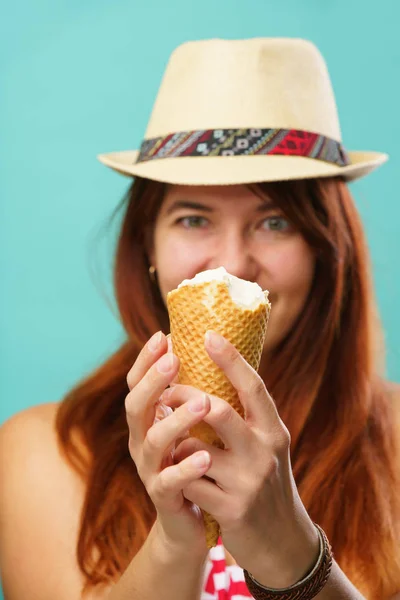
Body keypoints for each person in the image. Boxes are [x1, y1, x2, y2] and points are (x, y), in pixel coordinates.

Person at [1, 37, 400, 600]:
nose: (234, 261)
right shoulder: (46, 452)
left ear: (328, 251)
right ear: (149, 247)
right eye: (193, 219)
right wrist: (174, 539)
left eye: (276, 222)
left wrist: (293, 554)